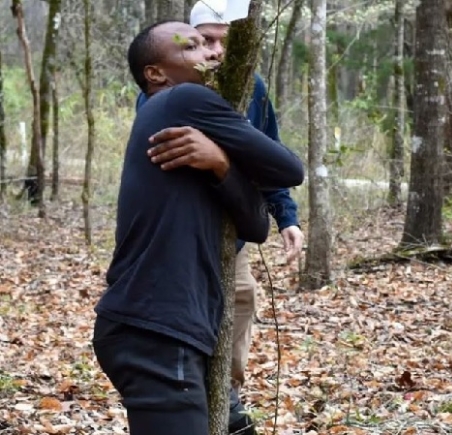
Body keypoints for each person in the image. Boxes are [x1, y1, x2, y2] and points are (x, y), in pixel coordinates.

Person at [92, 20, 304, 435]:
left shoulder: (185, 127)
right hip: (155, 329)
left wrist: (220, 163)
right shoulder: (180, 99)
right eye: (193, 46)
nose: (212, 53)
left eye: (212, 44)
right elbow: (289, 168)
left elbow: (255, 226)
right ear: (156, 73)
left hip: (166, 328)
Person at [138, 0, 305, 399]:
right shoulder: (166, 90)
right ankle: (187, 392)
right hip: (181, 233)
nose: (214, 52)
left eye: (223, 42)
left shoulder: (253, 88)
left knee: (241, 298)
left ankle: (226, 393)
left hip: (235, 227)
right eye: (204, 41)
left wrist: (287, 217)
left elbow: (272, 155)